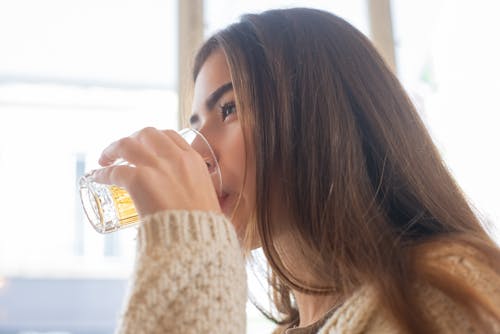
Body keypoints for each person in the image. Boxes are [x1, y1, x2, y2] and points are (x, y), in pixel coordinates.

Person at [93, 7, 500, 334]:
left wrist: (188, 244)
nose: (197, 153)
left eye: (229, 109)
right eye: (196, 124)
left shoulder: (444, 293)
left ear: (320, 119)